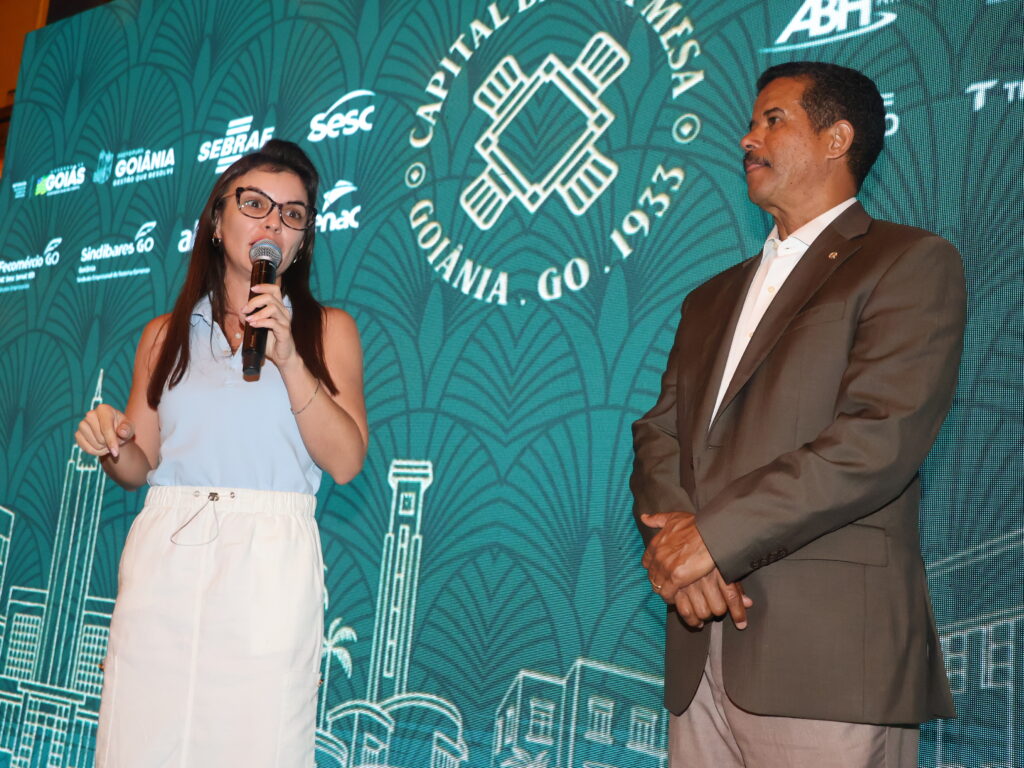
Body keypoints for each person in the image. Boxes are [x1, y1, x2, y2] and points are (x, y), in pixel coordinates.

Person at [630, 62, 964, 767]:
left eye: (772, 120)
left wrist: (712, 539)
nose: (747, 138)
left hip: (828, 656)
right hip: (700, 645)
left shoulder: (909, 262)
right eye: (751, 122)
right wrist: (684, 556)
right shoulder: (709, 298)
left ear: (837, 139)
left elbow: (876, 441)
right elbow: (659, 432)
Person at [74, 139, 368, 767]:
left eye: (292, 214)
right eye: (255, 203)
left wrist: (289, 358)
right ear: (216, 219)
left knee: (256, 743)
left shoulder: (327, 330)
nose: (273, 223)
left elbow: (346, 461)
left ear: (302, 241)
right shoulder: (164, 335)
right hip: (166, 549)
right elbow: (139, 466)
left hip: (269, 559)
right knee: (141, 738)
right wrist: (111, 441)